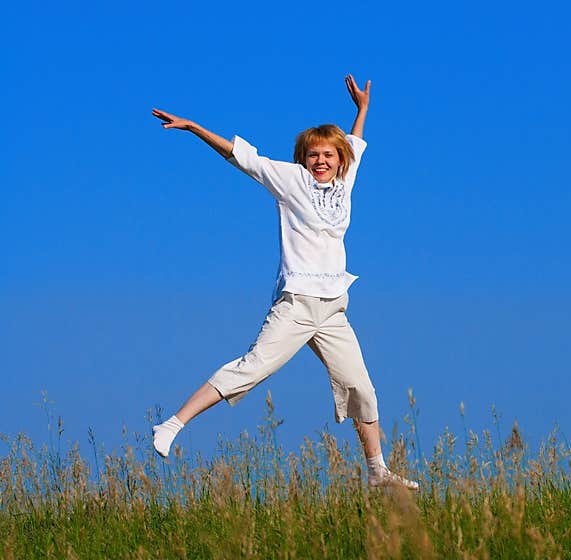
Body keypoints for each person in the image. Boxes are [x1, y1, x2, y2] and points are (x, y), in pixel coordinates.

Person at [149, 74, 418, 490]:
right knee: (252, 368)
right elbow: (243, 157)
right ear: (303, 158)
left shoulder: (345, 183)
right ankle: (171, 424)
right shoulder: (290, 179)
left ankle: (377, 472)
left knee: (362, 387)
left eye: (328, 154)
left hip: (333, 308)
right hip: (296, 302)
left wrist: (362, 109)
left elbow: (355, 142)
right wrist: (194, 128)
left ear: (339, 159)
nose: (321, 161)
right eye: (313, 154)